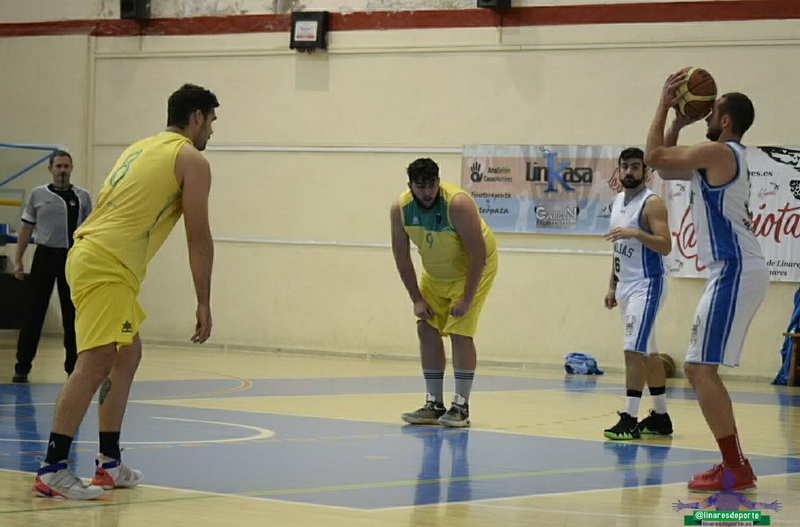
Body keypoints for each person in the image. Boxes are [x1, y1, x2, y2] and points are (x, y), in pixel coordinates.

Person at [31, 84, 218, 500]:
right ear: (196, 118)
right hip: (106, 265)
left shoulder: (140, 148)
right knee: (96, 361)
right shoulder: (191, 159)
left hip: (97, 259)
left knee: (127, 354)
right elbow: (198, 238)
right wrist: (204, 301)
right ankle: (52, 468)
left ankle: (109, 463)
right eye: (211, 121)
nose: (212, 131)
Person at [645, 71, 767, 492]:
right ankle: (734, 463)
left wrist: (664, 104)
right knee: (700, 368)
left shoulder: (719, 152)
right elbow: (665, 167)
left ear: (726, 120)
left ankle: (735, 466)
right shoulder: (717, 158)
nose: (707, 117)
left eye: (712, 112)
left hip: (735, 267)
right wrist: (678, 124)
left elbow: (653, 156)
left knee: (698, 369)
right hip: (732, 269)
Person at [391, 158, 497, 428]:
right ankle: (433, 403)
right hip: (436, 274)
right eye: (420, 186)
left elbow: (479, 255)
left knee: (460, 331)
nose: (427, 192)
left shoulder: (457, 205)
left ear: (438, 182)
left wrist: (466, 298)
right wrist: (416, 299)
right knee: (426, 327)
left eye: (431, 185)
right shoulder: (400, 209)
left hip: (472, 270)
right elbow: (401, 257)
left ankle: (461, 406)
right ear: (410, 186)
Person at [603, 147, 673, 440]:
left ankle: (630, 418)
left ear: (646, 171)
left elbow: (665, 245)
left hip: (647, 284)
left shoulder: (652, 203)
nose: (629, 171)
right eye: (625, 166)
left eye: (635, 166)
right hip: (626, 285)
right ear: (618, 170)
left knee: (632, 350)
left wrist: (637, 233)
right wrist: (612, 284)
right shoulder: (618, 201)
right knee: (649, 353)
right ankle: (660, 416)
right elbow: (618, 247)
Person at [11, 151, 93, 384]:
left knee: (72, 314)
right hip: (45, 256)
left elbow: (91, 230)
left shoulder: (82, 197)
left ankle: (73, 368)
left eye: (66, 166)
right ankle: (22, 367)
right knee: (33, 313)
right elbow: (26, 228)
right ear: (50, 169)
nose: (62, 171)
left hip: (72, 258)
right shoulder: (38, 195)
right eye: (58, 166)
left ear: (71, 168)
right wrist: (18, 260)